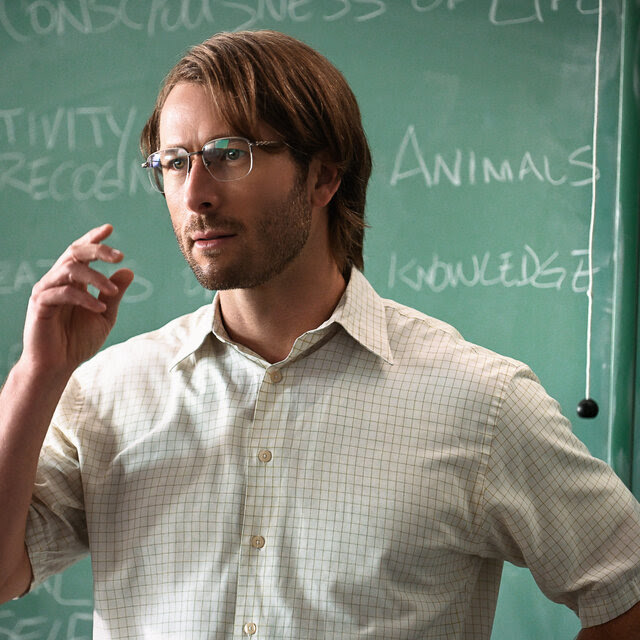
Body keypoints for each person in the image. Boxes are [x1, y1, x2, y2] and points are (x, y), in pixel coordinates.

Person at [0, 29, 639, 640]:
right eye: (173, 162)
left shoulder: (481, 402)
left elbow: (626, 593)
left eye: (229, 154)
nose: (194, 193)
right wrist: (37, 375)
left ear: (323, 177)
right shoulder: (108, 391)